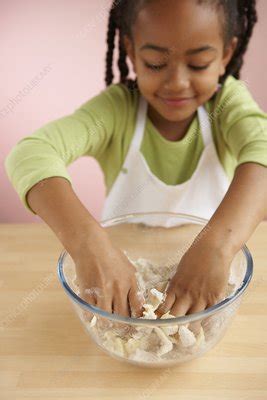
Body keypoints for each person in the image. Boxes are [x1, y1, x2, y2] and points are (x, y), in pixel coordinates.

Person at [5, 0, 267, 320]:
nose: (177, 83)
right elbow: (31, 152)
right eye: (156, 63)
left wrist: (218, 246)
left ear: (226, 53)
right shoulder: (117, 111)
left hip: (210, 275)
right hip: (122, 267)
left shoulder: (226, 105)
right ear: (130, 50)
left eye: (198, 64)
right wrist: (88, 242)